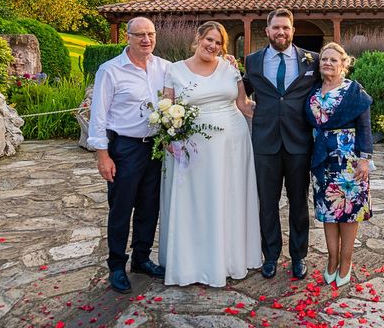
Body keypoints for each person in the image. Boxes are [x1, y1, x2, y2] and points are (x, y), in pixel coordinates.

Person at [159, 21, 261, 287]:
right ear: (198, 38)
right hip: (192, 148)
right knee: (196, 202)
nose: (212, 46)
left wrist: (277, 116)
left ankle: (229, 258)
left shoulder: (230, 69)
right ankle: (192, 263)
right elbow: (166, 107)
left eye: (218, 42)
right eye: (209, 40)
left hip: (232, 146)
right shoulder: (175, 70)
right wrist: (169, 138)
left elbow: (243, 104)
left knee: (228, 198)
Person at [88, 17, 170, 294]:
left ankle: (142, 259)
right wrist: (103, 155)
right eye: (140, 35)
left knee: (150, 206)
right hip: (124, 148)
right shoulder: (110, 70)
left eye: (150, 34)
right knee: (121, 208)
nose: (146, 39)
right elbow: (98, 115)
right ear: (128, 37)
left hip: (156, 147)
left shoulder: (165, 68)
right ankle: (116, 265)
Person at [244, 8, 320, 280]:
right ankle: (271, 255)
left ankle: (299, 256)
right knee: (267, 203)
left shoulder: (313, 61)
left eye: (285, 28)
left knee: (299, 202)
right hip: (265, 143)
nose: (281, 32)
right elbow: (239, 93)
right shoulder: (252, 61)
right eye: (276, 28)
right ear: (267, 31)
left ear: (293, 30)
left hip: (299, 143)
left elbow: (327, 92)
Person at [304, 42, 373, 288]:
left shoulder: (353, 91)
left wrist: (365, 159)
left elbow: (365, 127)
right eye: (324, 59)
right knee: (328, 214)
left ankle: (346, 262)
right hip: (322, 160)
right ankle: (331, 261)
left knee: (348, 213)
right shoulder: (312, 91)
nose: (328, 63)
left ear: (344, 64)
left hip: (349, 161)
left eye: (334, 59)